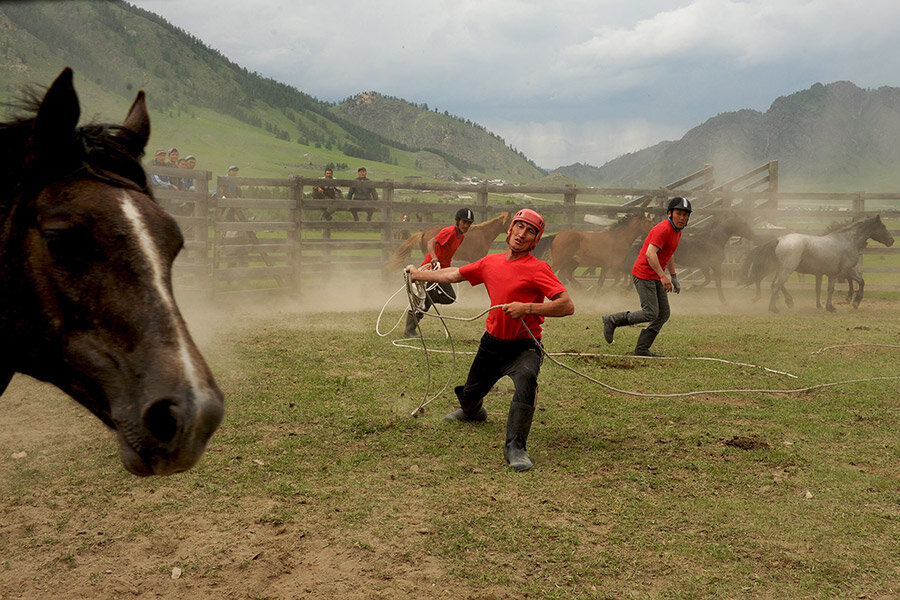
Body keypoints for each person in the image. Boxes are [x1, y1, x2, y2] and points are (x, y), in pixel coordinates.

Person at [405, 208, 575, 472]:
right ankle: (473, 412)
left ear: (535, 240)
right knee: (470, 396)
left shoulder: (539, 268)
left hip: (525, 347)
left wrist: (526, 308)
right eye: (519, 227)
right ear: (509, 231)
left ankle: (516, 447)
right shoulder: (490, 263)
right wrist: (417, 274)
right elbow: (453, 274)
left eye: (530, 231)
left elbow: (566, 305)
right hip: (492, 344)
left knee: (527, 379)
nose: (522, 234)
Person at [601, 197, 692, 357]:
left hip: (655, 275)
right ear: (670, 213)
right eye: (679, 214)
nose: (682, 218)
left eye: (685, 215)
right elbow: (651, 254)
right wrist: (663, 277)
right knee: (650, 312)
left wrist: (674, 276)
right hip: (644, 274)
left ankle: (642, 349)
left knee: (663, 314)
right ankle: (612, 320)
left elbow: (669, 253)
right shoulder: (663, 229)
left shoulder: (677, 231)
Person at [404, 208, 476, 337]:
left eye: (469, 223)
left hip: (442, 271)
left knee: (449, 297)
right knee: (425, 299)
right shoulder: (449, 232)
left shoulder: (461, 237)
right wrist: (433, 257)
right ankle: (409, 329)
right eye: (464, 222)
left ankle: (427, 300)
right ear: (457, 220)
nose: (466, 226)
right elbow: (431, 242)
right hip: (432, 269)